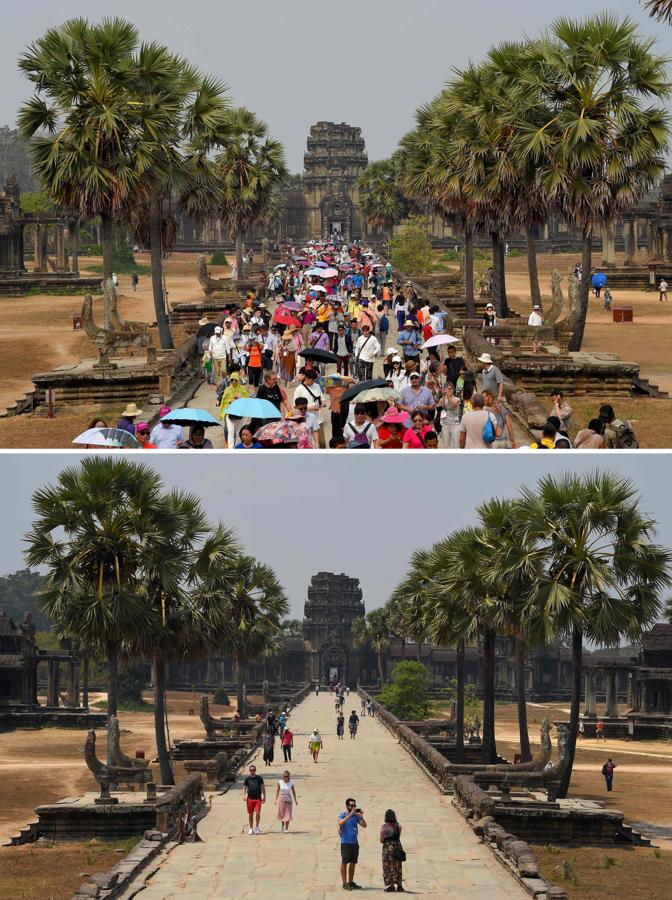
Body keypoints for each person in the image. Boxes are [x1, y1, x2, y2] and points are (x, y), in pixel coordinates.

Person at [338, 798, 367, 892]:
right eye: (351, 805)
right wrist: (350, 815)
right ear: (347, 806)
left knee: (353, 863)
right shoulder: (343, 814)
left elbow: (364, 825)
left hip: (354, 843)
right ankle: (344, 883)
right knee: (344, 862)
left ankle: (350, 882)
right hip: (345, 843)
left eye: (355, 805)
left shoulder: (356, 816)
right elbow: (340, 822)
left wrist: (361, 816)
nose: (353, 807)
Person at [294, 371, 326, 449]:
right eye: (311, 380)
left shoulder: (317, 386)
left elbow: (322, 398)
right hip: (305, 420)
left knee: (321, 443)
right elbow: (295, 406)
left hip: (318, 419)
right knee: (306, 443)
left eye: (314, 380)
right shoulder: (299, 389)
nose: (313, 382)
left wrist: (323, 403)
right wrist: (308, 408)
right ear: (306, 378)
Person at [380, 809, 405, 893]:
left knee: (388, 867)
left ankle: (391, 886)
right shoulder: (399, 826)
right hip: (397, 849)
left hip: (387, 850)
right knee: (398, 866)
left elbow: (381, 840)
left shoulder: (384, 827)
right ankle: (400, 885)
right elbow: (398, 837)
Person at [243, 764, 265, 835]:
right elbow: (244, 787)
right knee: (250, 814)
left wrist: (264, 796)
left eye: (253, 770)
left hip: (258, 798)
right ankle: (251, 828)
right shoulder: (247, 779)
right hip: (250, 799)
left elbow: (263, 788)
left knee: (258, 813)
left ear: (255, 770)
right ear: (249, 771)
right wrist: (244, 795)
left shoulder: (259, 778)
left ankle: (257, 827)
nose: (252, 771)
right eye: (251, 770)